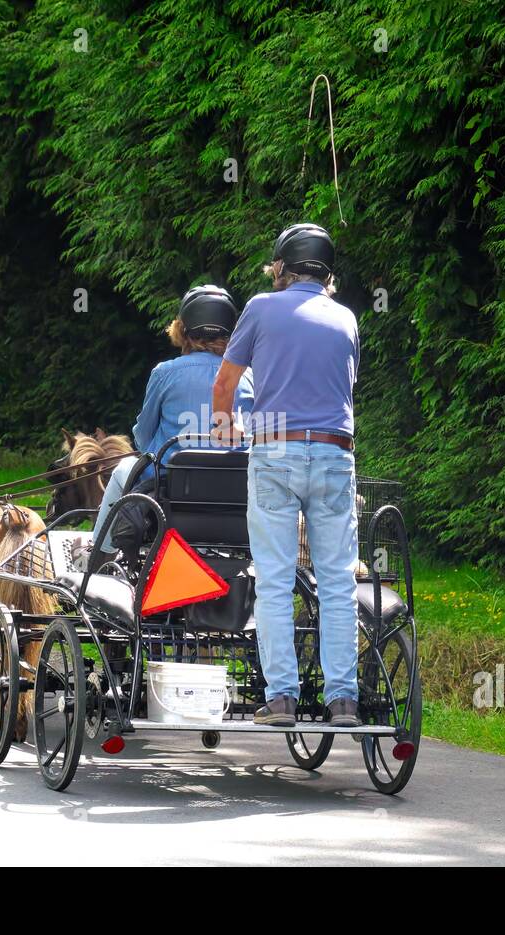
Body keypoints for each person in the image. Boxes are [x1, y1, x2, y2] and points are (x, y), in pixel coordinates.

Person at [211, 223, 361, 728]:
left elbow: (225, 383)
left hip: (275, 453)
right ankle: (344, 700)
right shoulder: (346, 319)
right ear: (326, 273)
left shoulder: (260, 307)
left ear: (282, 267)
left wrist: (226, 430)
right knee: (337, 582)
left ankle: (282, 699)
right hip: (336, 456)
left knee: (274, 580)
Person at [92, 284, 254, 553]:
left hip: (172, 493)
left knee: (122, 469)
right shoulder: (249, 376)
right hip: (235, 495)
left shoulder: (165, 373)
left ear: (184, 330)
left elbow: (143, 437)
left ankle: (99, 556)